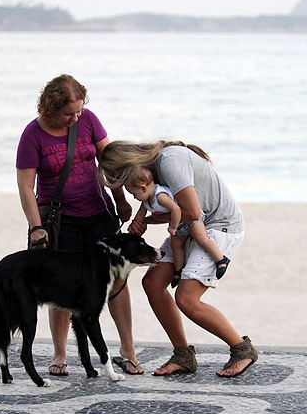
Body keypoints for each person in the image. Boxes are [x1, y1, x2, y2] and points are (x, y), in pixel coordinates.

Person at [15, 74, 143, 376]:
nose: (76, 117)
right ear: (50, 108)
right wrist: (36, 227)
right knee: (63, 287)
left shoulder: (88, 120)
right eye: (69, 113)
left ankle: (129, 350)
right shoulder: (32, 135)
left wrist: (121, 198)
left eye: (79, 110)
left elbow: (109, 162)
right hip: (61, 221)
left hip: (99, 215)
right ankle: (60, 354)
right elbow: (25, 186)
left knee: (118, 282)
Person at [99, 140, 258, 377]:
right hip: (188, 229)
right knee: (152, 283)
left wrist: (148, 221)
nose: (130, 193)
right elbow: (181, 212)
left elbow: (193, 212)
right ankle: (183, 355)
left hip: (217, 228)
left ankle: (242, 349)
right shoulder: (152, 172)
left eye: (125, 183)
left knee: (186, 299)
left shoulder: (170, 161)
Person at [124, 166, 230, 287]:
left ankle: (220, 259)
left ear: (143, 188)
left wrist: (173, 227)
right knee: (176, 245)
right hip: (179, 223)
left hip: (190, 218)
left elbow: (176, 209)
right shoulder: (146, 201)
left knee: (201, 238)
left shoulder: (160, 196)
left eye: (133, 194)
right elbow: (140, 216)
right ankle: (179, 270)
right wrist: (135, 225)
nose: (134, 197)